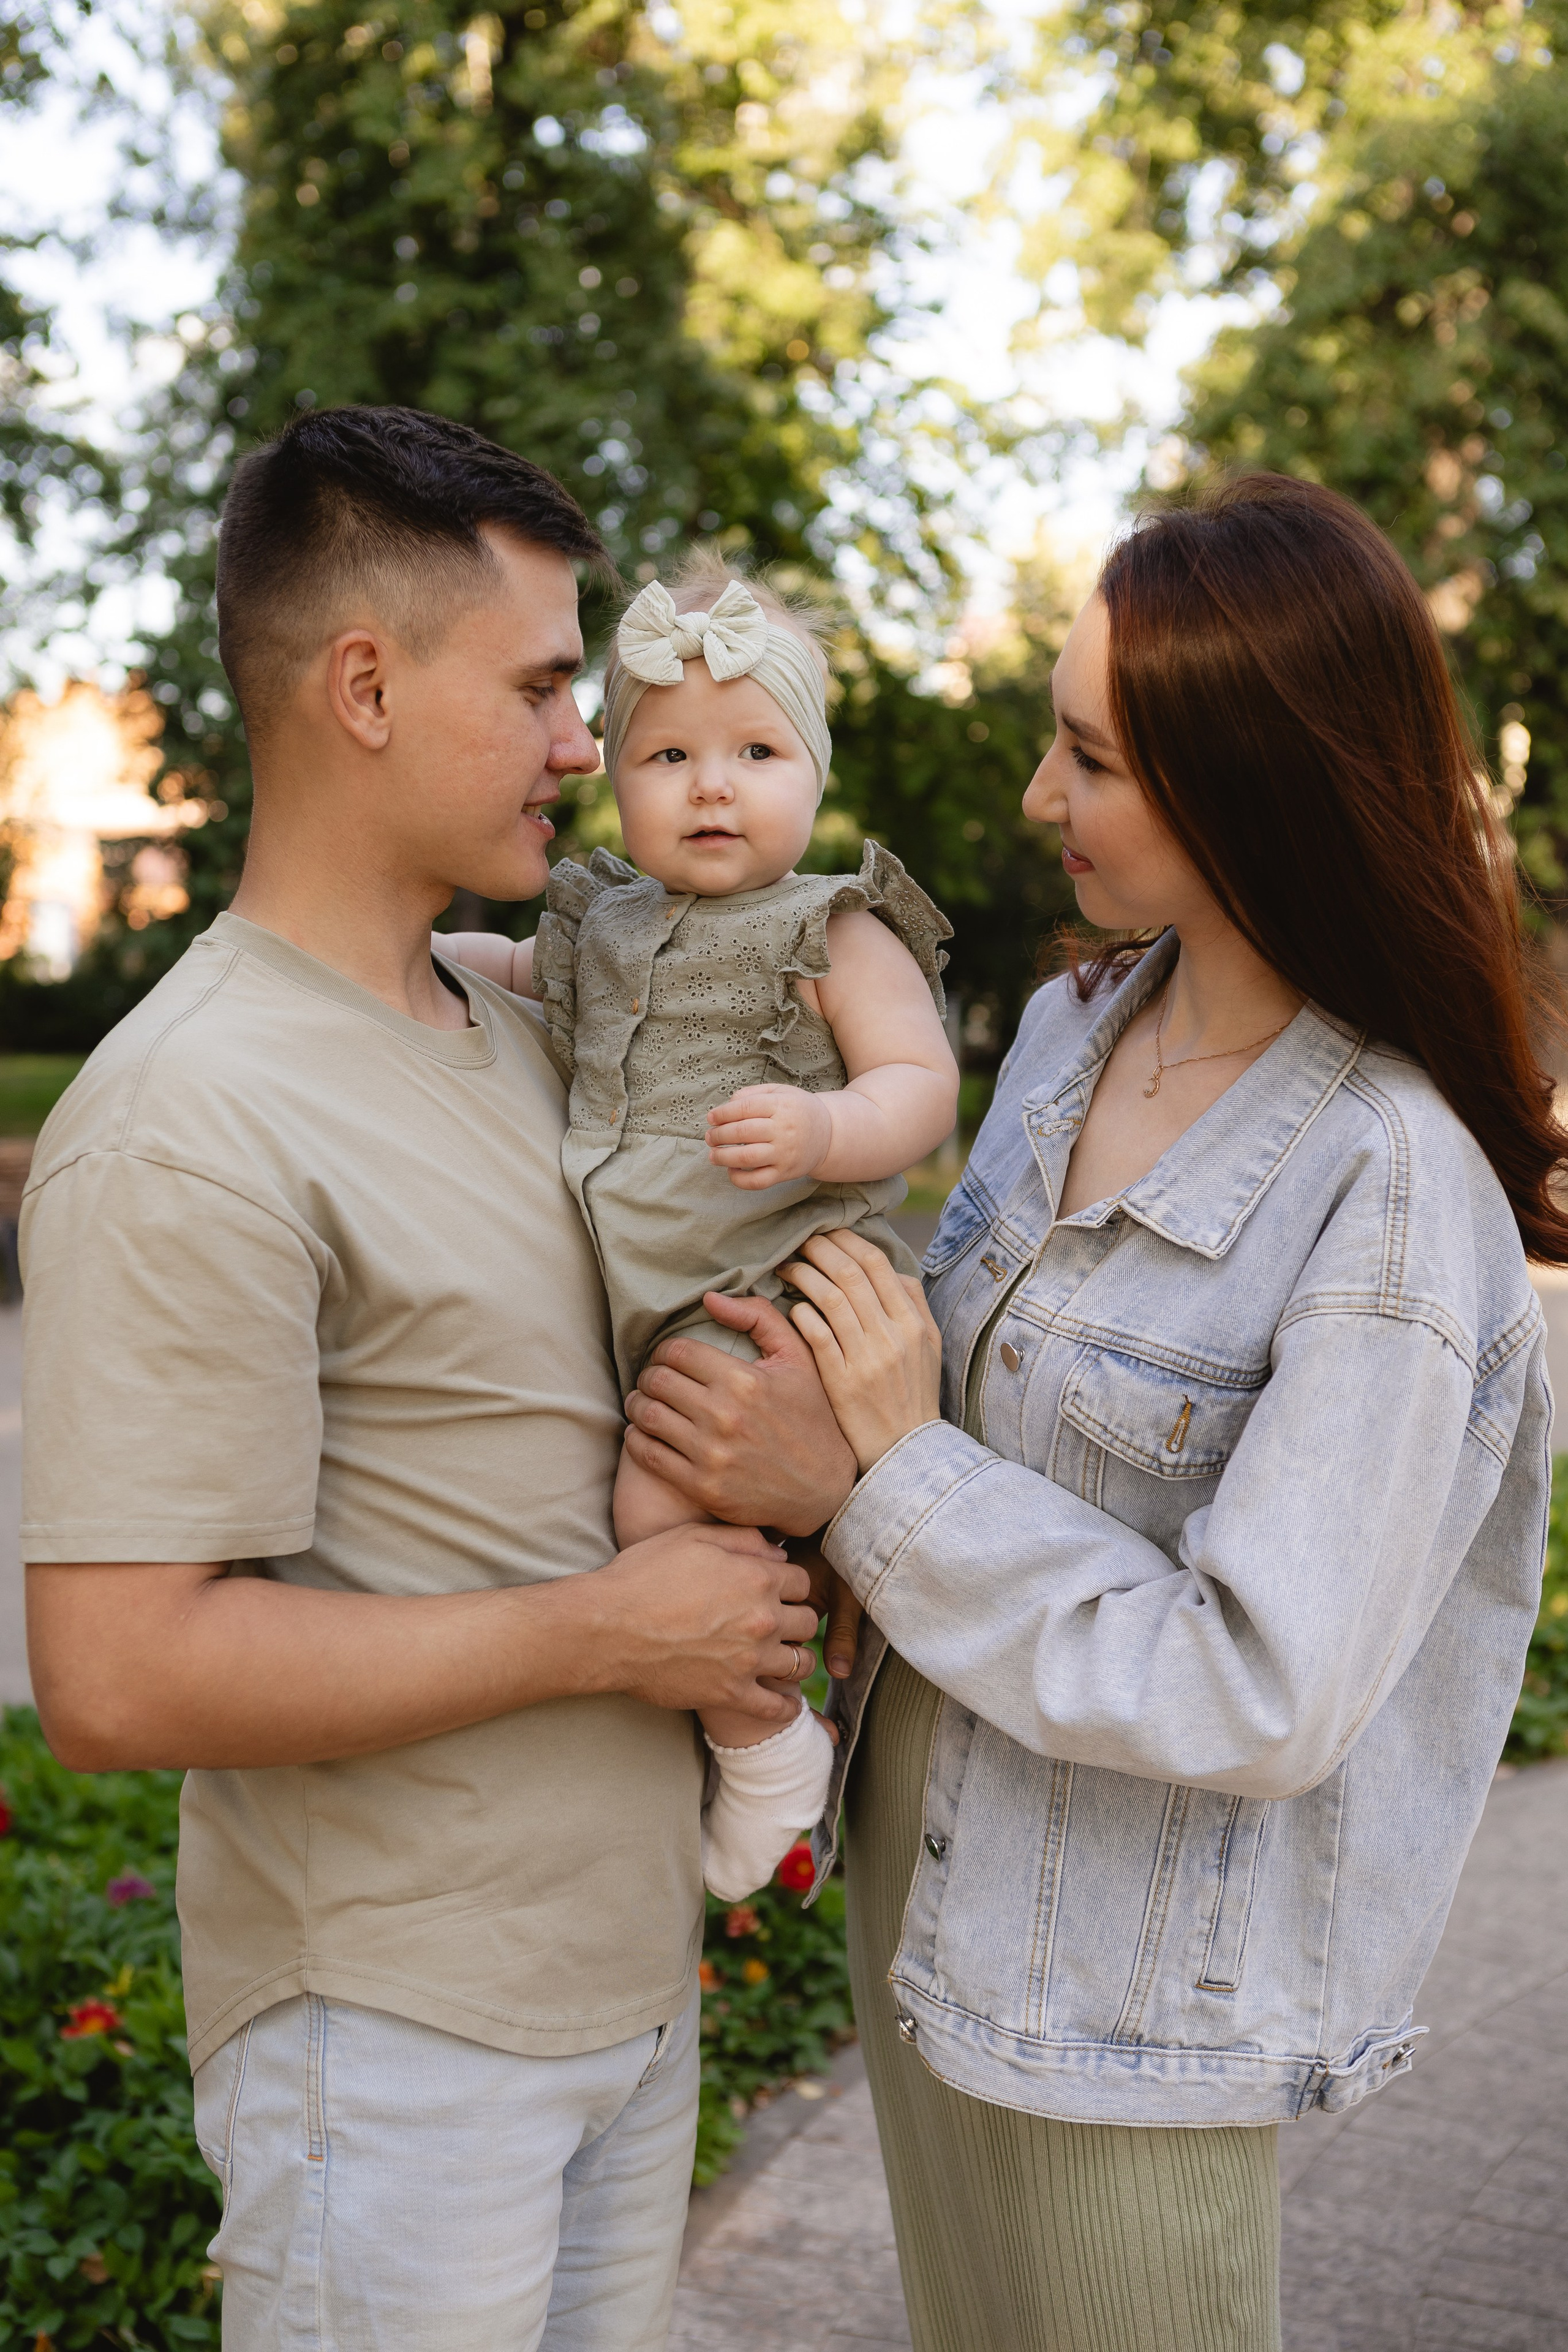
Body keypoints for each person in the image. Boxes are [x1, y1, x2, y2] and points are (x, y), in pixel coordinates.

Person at [620, 473, 1561, 2351]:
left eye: (1092, 763)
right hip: (925, 1897)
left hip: (1118, 2010)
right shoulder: (1072, 1035)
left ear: (1252, 789)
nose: (1042, 804)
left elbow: (1261, 1686)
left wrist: (875, 1476)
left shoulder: (1384, 1188)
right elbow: (955, 1390)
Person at [20, 403, 826, 2352]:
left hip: (622, 1997)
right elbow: (119, 1679)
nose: (589, 741)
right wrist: (607, 1633)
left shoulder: (517, 1011)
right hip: (392, 2053)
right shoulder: (187, 1115)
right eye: (548, 684)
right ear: (363, 687)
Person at [439, 553, 956, 1895]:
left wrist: (824, 1131)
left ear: (813, 770)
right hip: (647, 1297)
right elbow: (518, 984)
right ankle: (758, 1720)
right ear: (615, 771)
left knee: (653, 1509)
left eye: (754, 751)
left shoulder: (833, 928)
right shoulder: (597, 921)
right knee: (654, 1509)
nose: (710, 784)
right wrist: (417, 954)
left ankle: (764, 1738)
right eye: (667, 753)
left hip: (764, 1292)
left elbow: (919, 1082)